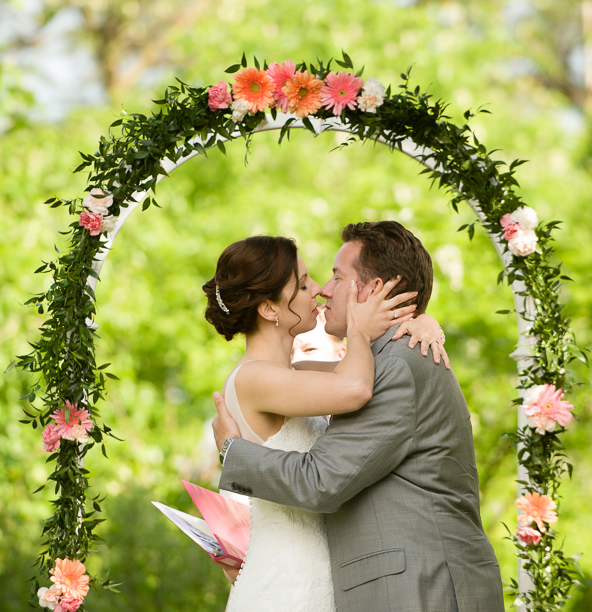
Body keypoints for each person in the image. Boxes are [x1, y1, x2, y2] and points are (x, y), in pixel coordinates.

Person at [213, 221, 505, 612]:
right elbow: (347, 388)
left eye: (336, 277)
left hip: (419, 589)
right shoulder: (367, 364)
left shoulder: (396, 364)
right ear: (268, 308)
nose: (322, 289)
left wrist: (419, 319)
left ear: (373, 291)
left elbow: (322, 478)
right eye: (305, 284)